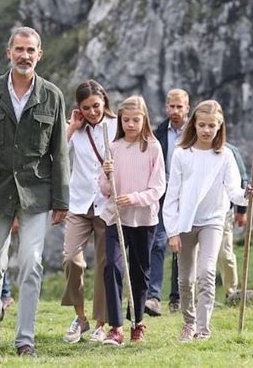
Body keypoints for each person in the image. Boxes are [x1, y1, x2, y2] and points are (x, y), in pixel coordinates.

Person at [0, 26, 70, 357]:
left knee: (32, 263)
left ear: (40, 55)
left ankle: (25, 338)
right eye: (19, 49)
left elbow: (60, 152)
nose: (24, 55)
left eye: (30, 50)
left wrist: (61, 199)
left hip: (36, 193)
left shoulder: (52, 95)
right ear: (9, 52)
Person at [163, 100, 253, 342]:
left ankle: (203, 329)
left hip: (213, 221)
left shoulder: (225, 155)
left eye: (212, 126)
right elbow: (172, 195)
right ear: (194, 124)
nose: (206, 130)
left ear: (220, 126)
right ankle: (189, 322)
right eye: (202, 125)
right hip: (186, 223)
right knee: (185, 280)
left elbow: (234, 190)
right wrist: (172, 232)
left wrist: (247, 193)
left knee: (206, 273)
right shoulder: (181, 154)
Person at [100, 95, 166, 345]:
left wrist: (135, 198)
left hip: (144, 219)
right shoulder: (114, 147)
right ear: (120, 120)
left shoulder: (152, 147)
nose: (130, 124)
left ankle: (138, 322)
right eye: (126, 120)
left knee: (140, 271)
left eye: (135, 120)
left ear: (144, 119)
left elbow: (158, 188)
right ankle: (115, 327)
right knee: (113, 268)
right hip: (116, 218)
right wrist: (107, 175)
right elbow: (105, 189)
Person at [61, 80, 116, 344]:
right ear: (79, 108)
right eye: (86, 108)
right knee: (72, 259)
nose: (93, 112)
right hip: (79, 203)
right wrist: (72, 126)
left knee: (105, 264)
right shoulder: (75, 130)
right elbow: (55, 154)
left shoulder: (117, 127)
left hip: (107, 206)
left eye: (96, 106)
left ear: (104, 101)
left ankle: (100, 323)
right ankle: (80, 318)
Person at [145, 89, 190, 317]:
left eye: (179, 107)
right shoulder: (158, 133)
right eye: (171, 106)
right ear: (166, 107)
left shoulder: (195, 132)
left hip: (188, 196)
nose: (174, 111)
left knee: (182, 246)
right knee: (159, 242)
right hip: (163, 195)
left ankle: (178, 297)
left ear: (187, 108)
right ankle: (153, 296)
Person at [218, 143, 248, 299]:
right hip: (197, 214)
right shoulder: (191, 148)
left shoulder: (231, 151)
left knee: (224, 254)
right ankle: (196, 297)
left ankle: (232, 294)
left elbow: (243, 179)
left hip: (224, 212)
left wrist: (241, 211)